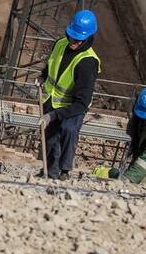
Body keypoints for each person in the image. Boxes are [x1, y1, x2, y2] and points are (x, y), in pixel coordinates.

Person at [37, 9, 101, 179]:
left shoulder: (87, 63)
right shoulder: (60, 44)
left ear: (87, 38)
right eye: (72, 36)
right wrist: (43, 76)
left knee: (67, 129)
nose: (73, 41)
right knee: (49, 136)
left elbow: (82, 103)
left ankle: (64, 171)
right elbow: (53, 64)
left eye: (78, 39)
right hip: (52, 99)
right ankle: (49, 172)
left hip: (73, 105)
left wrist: (54, 115)